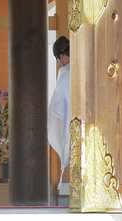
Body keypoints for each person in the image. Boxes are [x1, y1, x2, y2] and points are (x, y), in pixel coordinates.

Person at [48, 36, 71, 196]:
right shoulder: (85, 64)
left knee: (68, 147)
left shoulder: (64, 72)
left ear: (62, 56)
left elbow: (57, 106)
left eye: (58, 59)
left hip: (70, 119)